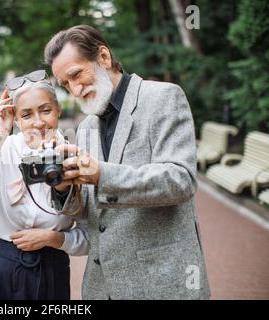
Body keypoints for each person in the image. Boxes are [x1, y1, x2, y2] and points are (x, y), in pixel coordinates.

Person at [44, 25, 211, 299]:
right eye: (66, 84)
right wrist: (64, 189)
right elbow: (88, 212)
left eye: (77, 74)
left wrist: (101, 174)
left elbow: (181, 180)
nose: (75, 89)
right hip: (102, 287)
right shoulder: (85, 128)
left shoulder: (163, 97)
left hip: (161, 283)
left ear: (104, 57)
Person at [0, 70, 88, 300]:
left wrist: (55, 239)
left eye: (45, 110)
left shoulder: (76, 156)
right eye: (27, 115)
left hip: (51, 263)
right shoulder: (2, 149)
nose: (38, 122)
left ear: (58, 110)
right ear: (16, 119)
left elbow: (92, 236)